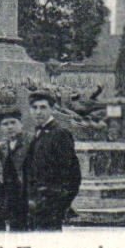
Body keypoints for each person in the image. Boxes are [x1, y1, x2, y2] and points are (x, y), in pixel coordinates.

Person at [21, 90, 81, 231]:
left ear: (52, 109)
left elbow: (73, 175)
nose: (38, 112)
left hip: (50, 209)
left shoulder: (59, 134)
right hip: (34, 208)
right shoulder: (38, 133)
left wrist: (60, 206)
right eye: (34, 108)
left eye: (43, 107)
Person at [0, 106, 29, 230]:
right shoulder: (2, 149)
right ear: (1, 128)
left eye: (13, 122)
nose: (9, 127)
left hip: (29, 201)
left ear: (21, 124)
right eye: (5, 124)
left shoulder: (32, 143)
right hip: (13, 204)